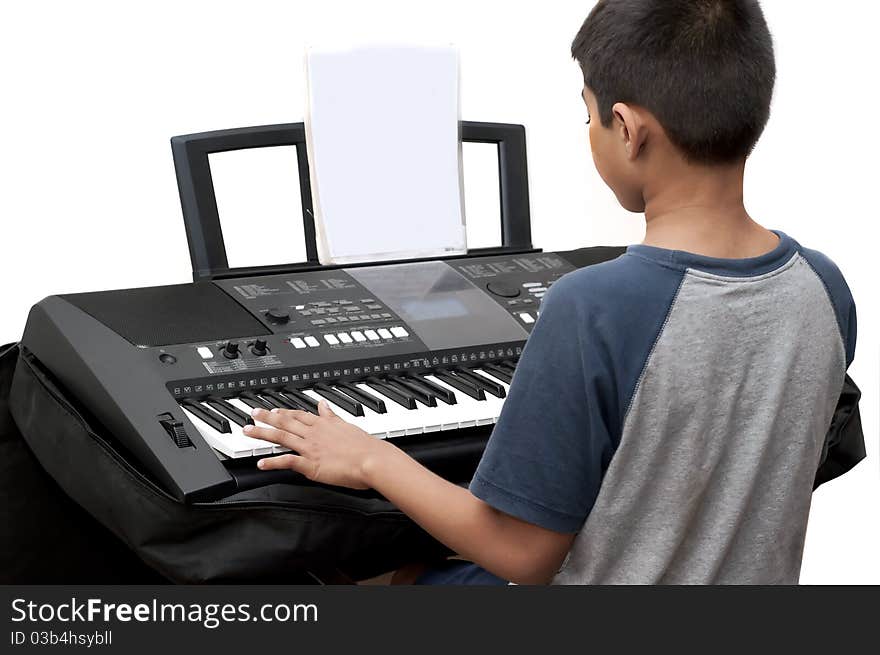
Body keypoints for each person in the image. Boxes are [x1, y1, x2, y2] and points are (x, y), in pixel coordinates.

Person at [243, 0, 857, 584]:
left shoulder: (593, 307)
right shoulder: (823, 288)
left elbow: (524, 555)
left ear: (627, 129)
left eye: (588, 113)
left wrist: (370, 457)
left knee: (380, 576)